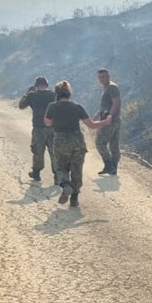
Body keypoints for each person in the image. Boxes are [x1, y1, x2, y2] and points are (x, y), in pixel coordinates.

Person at [43, 80, 112, 208]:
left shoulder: (52, 106)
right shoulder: (77, 107)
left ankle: (65, 185)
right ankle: (74, 198)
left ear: (57, 93)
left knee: (61, 167)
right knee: (76, 169)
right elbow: (91, 125)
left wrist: (57, 120)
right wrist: (106, 121)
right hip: (77, 140)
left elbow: (47, 123)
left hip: (60, 139)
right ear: (69, 93)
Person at [17, 76, 56, 182]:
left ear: (36, 85)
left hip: (38, 128)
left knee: (38, 152)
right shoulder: (53, 95)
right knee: (54, 152)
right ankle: (58, 175)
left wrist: (27, 93)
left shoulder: (32, 95)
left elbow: (21, 106)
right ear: (47, 84)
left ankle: (36, 173)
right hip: (53, 128)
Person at [94, 68, 122, 176]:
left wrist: (109, 115)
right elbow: (106, 105)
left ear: (108, 76)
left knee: (100, 143)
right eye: (99, 77)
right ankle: (112, 168)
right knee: (114, 145)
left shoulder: (112, 87)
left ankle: (109, 165)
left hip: (110, 120)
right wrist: (97, 115)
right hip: (113, 119)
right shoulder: (106, 88)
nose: (101, 79)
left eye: (103, 76)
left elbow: (116, 102)